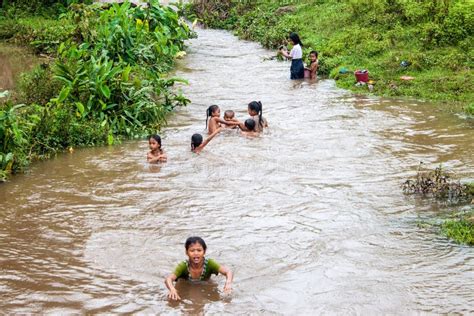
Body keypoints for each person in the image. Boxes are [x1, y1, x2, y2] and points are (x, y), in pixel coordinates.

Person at [165, 236, 233, 301]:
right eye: (192, 251)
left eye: (199, 250)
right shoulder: (183, 266)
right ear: (186, 252)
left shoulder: (210, 263)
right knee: (172, 300)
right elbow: (168, 279)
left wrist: (228, 283)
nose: (196, 253)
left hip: (205, 282)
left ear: (204, 251)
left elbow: (228, 272)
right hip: (186, 283)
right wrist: (172, 289)